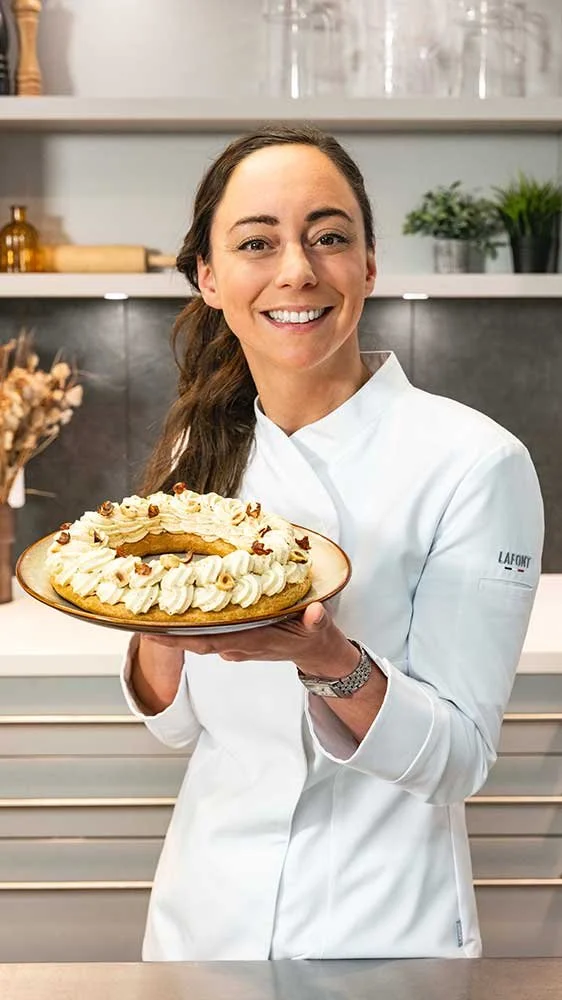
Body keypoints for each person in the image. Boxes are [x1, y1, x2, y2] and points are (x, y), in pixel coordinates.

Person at [121, 124, 544, 962]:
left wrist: (327, 660)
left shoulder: (475, 462)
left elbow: (459, 761)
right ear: (209, 277)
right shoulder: (197, 451)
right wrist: (160, 623)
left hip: (380, 927)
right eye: (257, 242)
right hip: (204, 921)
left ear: (369, 265)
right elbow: (175, 727)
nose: (297, 270)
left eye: (329, 237)